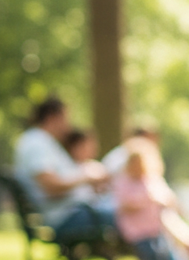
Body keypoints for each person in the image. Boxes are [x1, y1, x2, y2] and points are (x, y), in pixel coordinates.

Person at [13, 97, 116, 243]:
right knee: (132, 215)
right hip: (66, 216)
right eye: (65, 119)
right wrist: (86, 177)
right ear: (52, 118)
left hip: (75, 211)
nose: (68, 126)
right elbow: (51, 187)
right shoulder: (37, 143)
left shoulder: (41, 141)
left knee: (133, 210)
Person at [112, 139, 189, 260]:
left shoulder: (151, 180)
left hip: (154, 229)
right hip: (136, 231)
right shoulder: (124, 182)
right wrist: (145, 201)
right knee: (152, 252)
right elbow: (123, 205)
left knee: (166, 249)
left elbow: (169, 199)